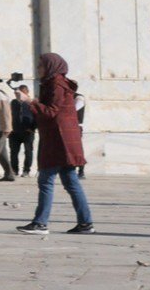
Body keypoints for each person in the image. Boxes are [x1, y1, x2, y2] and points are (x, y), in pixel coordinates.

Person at [19, 53, 95, 234]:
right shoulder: (55, 83)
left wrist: (29, 101)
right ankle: (85, 223)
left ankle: (40, 223)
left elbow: (52, 111)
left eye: (41, 65)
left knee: (46, 180)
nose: (38, 69)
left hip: (59, 140)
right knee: (71, 182)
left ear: (51, 66)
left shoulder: (56, 85)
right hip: (61, 139)